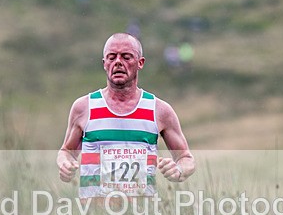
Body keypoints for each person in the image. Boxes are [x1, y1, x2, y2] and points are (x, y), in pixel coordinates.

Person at [58, 33, 195, 199]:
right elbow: (66, 152)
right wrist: (65, 164)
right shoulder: (83, 107)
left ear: (140, 63)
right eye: (111, 57)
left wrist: (178, 171)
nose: (117, 62)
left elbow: (185, 158)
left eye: (126, 57)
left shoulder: (159, 110)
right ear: (104, 64)